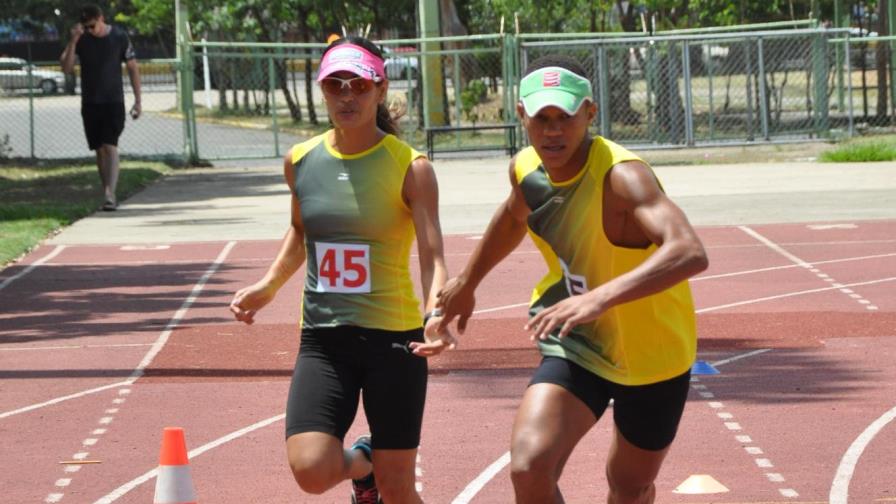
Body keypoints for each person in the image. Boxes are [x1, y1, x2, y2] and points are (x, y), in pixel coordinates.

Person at [437, 55, 709, 503]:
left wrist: (600, 298)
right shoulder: (527, 169)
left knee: (629, 485)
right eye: (541, 118)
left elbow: (689, 250)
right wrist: (468, 282)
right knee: (529, 467)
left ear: (589, 113)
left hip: (652, 354)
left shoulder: (622, 177)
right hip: (577, 340)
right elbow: (512, 217)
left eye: (564, 116)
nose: (553, 130)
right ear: (521, 115)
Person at [229, 36, 455, 504]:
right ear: (322, 91)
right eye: (335, 85)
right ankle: (363, 463)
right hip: (324, 339)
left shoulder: (411, 168)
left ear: (379, 87)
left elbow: (432, 257)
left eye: (358, 84)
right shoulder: (301, 161)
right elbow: (300, 232)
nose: (346, 95)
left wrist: (437, 314)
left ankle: (380, 474)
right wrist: (268, 286)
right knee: (311, 470)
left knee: (398, 491)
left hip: (394, 340)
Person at [60, 4, 142, 211]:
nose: (90, 30)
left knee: (110, 145)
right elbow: (66, 68)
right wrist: (73, 40)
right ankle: (106, 189)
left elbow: (133, 68)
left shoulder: (119, 37)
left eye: (92, 26)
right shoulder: (82, 40)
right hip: (90, 102)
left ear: (101, 19)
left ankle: (110, 193)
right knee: (99, 149)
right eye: (86, 27)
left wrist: (138, 100)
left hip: (113, 101)